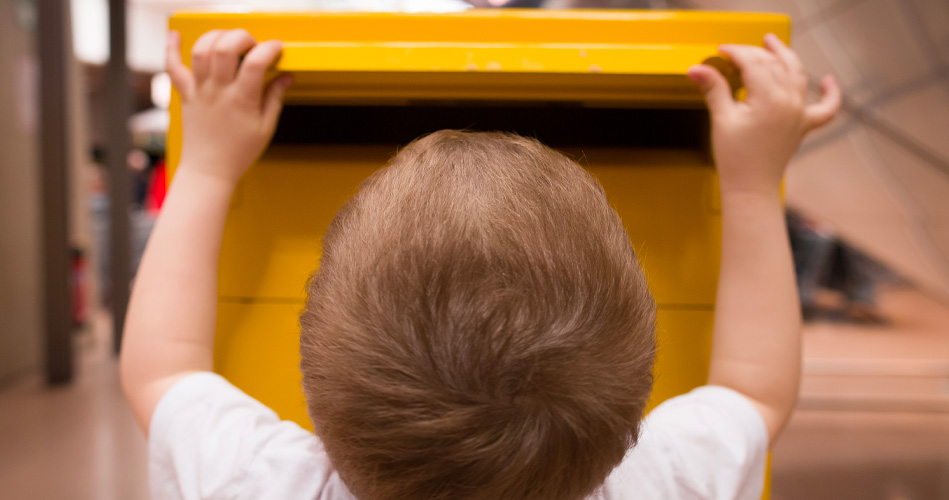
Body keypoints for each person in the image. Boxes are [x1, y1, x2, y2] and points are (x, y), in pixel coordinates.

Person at [120, 28, 840, 500]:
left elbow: (163, 368)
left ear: (312, 374)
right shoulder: (666, 481)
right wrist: (748, 185)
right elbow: (756, 389)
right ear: (635, 386)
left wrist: (209, 168)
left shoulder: (260, 483)